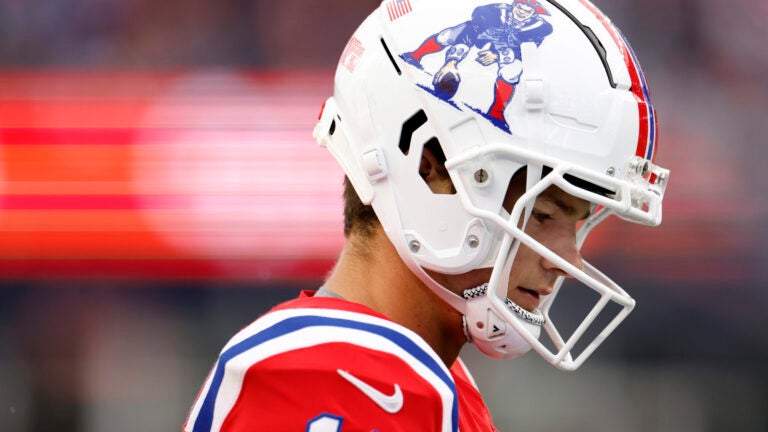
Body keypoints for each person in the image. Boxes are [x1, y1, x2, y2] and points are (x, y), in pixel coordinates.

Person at [184, 0, 670, 430]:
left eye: (579, 223)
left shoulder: (432, 378)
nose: (568, 261)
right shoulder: (327, 375)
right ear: (430, 167)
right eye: (542, 214)